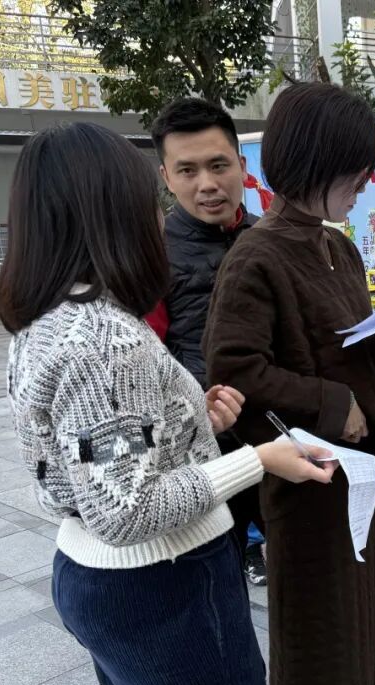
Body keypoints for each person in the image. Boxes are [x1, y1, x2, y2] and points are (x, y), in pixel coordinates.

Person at [0, 122, 338, 685]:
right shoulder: (104, 339)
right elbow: (128, 511)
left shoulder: (46, 321)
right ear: (111, 215)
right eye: (146, 201)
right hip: (164, 586)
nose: (158, 217)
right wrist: (259, 460)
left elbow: (75, 473)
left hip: (100, 581)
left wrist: (187, 423)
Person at [203, 82, 375, 685]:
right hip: (308, 478)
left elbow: (348, 347)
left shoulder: (337, 246)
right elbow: (235, 369)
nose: (366, 182)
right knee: (321, 627)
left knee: (374, 609)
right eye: (355, 170)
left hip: (365, 474)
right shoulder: (256, 256)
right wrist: (335, 405)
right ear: (316, 164)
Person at [147, 98, 268, 586]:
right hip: (206, 449)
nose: (207, 184)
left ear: (241, 164)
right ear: (166, 177)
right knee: (217, 579)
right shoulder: (151, 257)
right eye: (188, 170)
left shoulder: (271, 238)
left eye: (219, 165)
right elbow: (147, 361)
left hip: (281, 431)